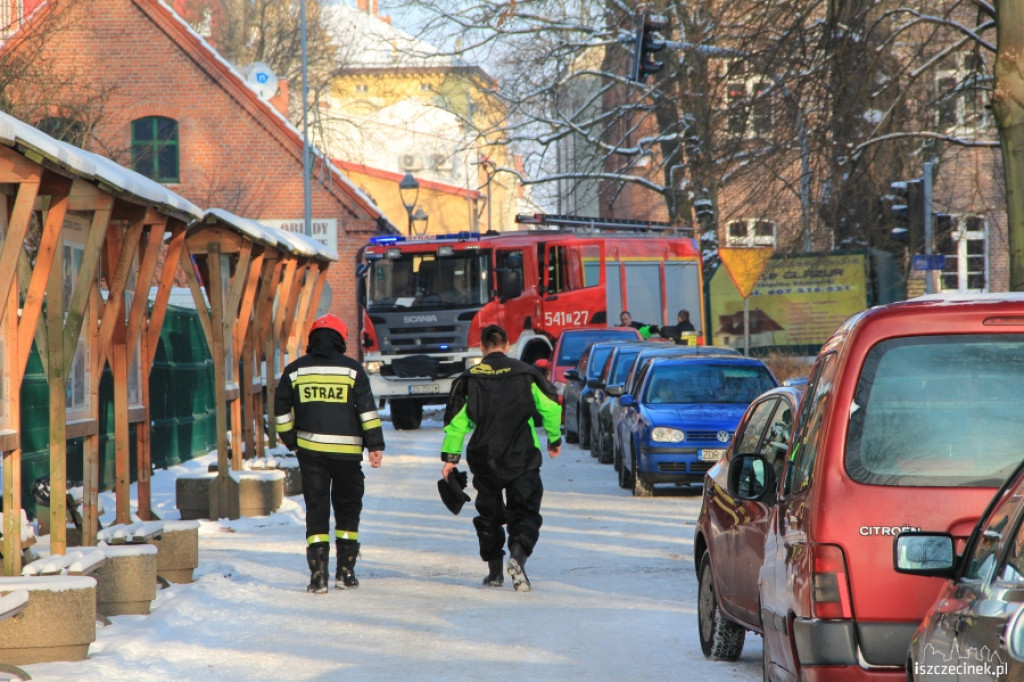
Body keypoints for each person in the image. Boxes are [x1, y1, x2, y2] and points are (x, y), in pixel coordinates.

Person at [441, 324, 562, 592]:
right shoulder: (526, 373)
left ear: (482, 348)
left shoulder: (469, 378)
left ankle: (495, 573)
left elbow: (457, 423)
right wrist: (554, 439)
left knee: (489, 516)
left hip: (485, 459)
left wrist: (450, 457)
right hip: (522, 457)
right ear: (507, 345)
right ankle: (518, 556)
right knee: (526, 511)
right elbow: (551, 407)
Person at [274, 314, 385, 594]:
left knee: (317, 511)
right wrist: (375, 446)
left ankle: (318, 577)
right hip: (347, 456)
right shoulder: (352, 370)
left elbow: (280, 409)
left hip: (311, 453)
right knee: (348, 509)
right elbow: (367, 412)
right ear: (340, 338)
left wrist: (291, 440)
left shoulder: (295, 370)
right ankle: (345, 572)